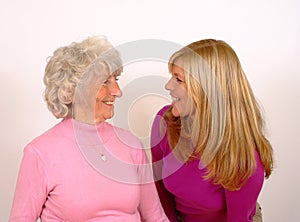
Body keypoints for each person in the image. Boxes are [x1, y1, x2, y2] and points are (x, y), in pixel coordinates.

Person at [10, 36, 169, 222]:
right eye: (105, 82)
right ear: (72, 90)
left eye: (115, 79)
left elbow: (156, 218)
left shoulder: (131, 145)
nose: (117, 91)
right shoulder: (39, 153)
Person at [150, 39, 273, 222]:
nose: (168, 86)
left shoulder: (243, 155)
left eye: (178, 79)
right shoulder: (164, 123)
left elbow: (237, 219)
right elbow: (159, 190)